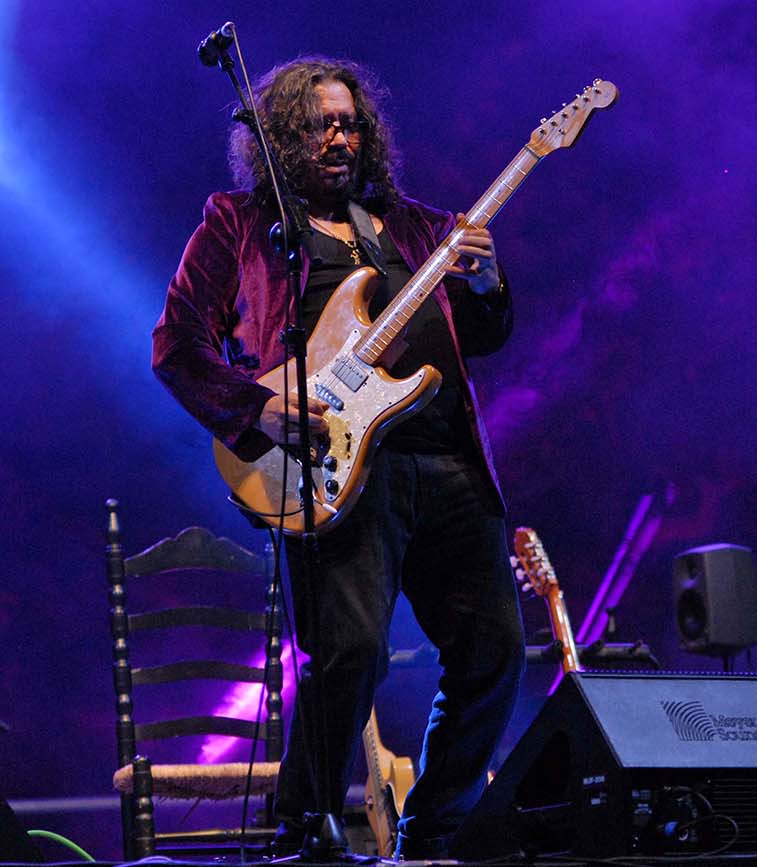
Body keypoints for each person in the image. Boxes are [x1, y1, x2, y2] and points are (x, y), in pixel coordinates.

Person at [151, 56, 525, 859]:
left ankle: (435, 827)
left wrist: (488, 283)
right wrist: (260, 407)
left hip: (445, 462)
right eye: (320, 122)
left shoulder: (421, 228)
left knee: (494, 649)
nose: (338, 135)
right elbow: (177, 347)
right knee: (350, 649)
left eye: (350, 122)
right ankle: (307, 824)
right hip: (332, 464)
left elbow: (482, 338)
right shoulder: (241, 225)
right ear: (283, 135)